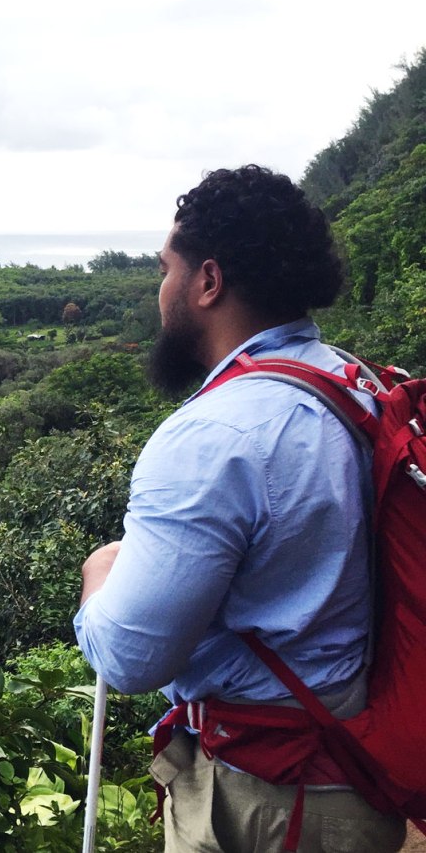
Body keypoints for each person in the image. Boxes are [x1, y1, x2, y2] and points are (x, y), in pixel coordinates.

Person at [73, 165, 406, 852]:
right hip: (356, 773)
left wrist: (98, 577)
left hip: (267, 804)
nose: (160, 289)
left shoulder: (212, 438)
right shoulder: (354, 381)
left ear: (208, 282)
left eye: (167, 269)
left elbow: (132, 658)